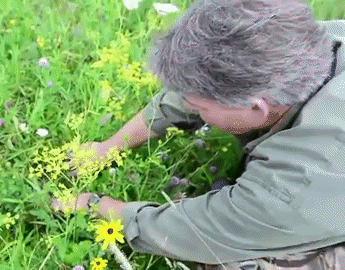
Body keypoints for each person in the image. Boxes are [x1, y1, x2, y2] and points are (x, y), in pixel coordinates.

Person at [51, 0, 345, 269]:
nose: (187, 105)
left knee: (230, 262)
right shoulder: (300, 42)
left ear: (256, 107)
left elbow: (200, 232)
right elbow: (194, 87)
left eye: (198, 106)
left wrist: (96, 204)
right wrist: (110, 146)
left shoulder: (300, 181)